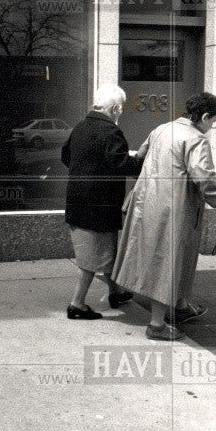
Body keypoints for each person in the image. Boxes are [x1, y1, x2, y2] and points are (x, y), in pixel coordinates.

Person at [111, 92, 216, 341]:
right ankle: (157, 324)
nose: (211, 128)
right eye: (212, 122)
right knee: (168, 261)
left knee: (166, 257)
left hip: (148, 203)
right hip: (175, 208)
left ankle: (180, 305)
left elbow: (141, 156)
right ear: (205, 116)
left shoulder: (161, 129)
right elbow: (205, 178)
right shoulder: (196, 139)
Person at [61, 84, 142, 320]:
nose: (120, 113)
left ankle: (115, 291)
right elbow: (121, 164)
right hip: (100, 204)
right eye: (121, 109)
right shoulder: (111, 132)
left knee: (105, 251)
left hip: (79, 200)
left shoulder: (80, 127)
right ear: (115, 108)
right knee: (92, 257)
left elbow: (66, 156)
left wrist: (87, 170)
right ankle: (77, 304)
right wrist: (140, 161)